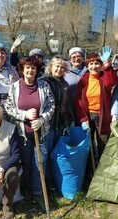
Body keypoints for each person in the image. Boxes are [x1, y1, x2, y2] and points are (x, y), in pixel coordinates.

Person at [5, 56, 55, 210]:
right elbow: (8, 107)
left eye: (33, 68)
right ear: (22, 69)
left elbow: (51, 106)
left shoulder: (44, 86)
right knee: (25, 162)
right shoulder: (14, 87)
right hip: (22, 133)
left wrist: (41, 119)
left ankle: (38, 192)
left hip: (41, 132)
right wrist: (23, 115)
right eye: (27, 67)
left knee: (39, 163)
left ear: (37, 70)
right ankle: (26, 190)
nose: (30, 70)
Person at [74, 46, 118, 164]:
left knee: (103, 143)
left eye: (97, 63)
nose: (94, 66)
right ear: (87, 66)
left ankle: (103, 168)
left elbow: (112, 82)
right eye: (91, 64)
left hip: (102, 115)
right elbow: (78, 100)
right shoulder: (84, 80)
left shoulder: (105, 77)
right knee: (88, 144)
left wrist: (107, 64)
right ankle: (90, 168)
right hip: (88, 115)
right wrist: (83, 118)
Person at [41, 56, 72, 189]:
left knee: (56, 151)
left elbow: (66, 103)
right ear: (51, 67)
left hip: (60, 122)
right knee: (46, 152)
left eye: (62, 67)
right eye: (57, 66)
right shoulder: (44, 81)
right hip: (47, 122)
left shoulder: (64, 84)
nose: (59, 69)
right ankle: (46, 179)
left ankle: (55, 177)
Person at [64, 46, 87, 123]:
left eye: (79, 56)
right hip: (70, 107)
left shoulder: (89, 69)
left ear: (83, 57)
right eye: (73, 57)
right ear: (70, 58)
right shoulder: (65, 71)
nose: (76, 59)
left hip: (87, 107)